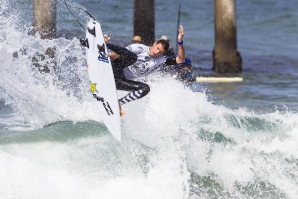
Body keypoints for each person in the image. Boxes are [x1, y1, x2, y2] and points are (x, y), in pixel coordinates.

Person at [105, 25, 185, 116]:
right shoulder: (139, 48)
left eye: (160, 52)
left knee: (145, 89)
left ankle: (118, 103)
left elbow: (180, 59)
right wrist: (100, 60)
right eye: (157, 48)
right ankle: (104, 44)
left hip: (118, 81)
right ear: (154, 44)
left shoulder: (160, 60)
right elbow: (114, 55)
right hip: (114, 69)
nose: (157, 52)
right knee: (132, 57)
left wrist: (180, 41)